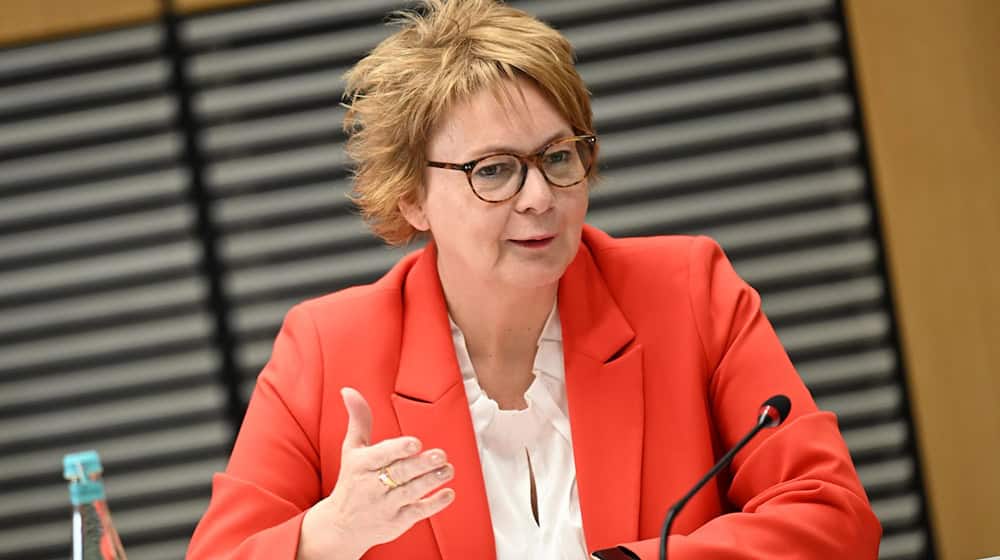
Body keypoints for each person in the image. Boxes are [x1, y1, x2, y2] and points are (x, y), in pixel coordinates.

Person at [186, 1, 882, 558]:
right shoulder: (327, 348)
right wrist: (326, 537)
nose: (539, 197)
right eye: (493, 170)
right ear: (411, 198)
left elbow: (832, 517)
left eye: (557, 156)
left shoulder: (688, 292)